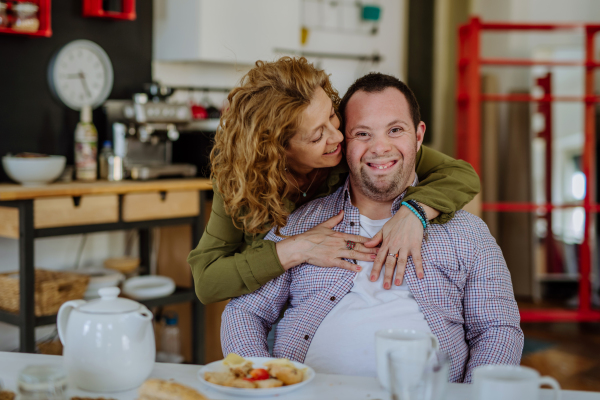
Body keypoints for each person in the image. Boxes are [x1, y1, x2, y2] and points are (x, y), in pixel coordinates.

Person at [220, 73, 523, 383]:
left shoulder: (468, 233)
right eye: (362, 133)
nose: (380, 147)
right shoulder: (301, 225)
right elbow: (244, 313)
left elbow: (498, 329)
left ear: (418, 136)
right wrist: (258, 385)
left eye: (395, 130)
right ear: (343, 143)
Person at [188, 57, 480, 305]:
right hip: (280, 311)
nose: (338, 137)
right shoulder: (240, 182)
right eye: (317, 136)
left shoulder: (352, 149)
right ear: (276, 151)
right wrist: (294, 248)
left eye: (332, 116)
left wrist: (414, 212)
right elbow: (206, 280)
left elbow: (459, 174)